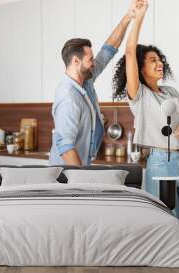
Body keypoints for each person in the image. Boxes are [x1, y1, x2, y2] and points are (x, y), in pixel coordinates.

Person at [112, 0, 179, 221]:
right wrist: (139, 16)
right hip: (162, 164)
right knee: (165, 226)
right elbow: (130, 52)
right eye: (152, 60)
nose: (159, 62)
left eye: (160, 59)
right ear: (140, 69)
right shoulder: (139, 94)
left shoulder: (171, 91)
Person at [49, 4, 136, 166]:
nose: (94, 63)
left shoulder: (86, 79)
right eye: (90, 59)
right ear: (76, 61)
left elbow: (108, 50)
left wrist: (128, 17)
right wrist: (82, 179)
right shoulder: (68, 97)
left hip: (81, 165)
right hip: (66, 175)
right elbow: (66, 148)